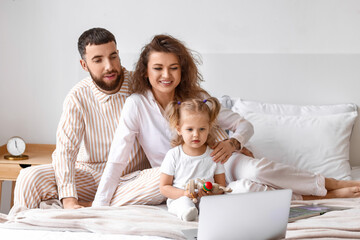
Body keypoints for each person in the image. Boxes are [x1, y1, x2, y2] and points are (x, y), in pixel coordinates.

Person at [93, 34, 360, 207]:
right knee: (249, 192)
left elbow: (245, 125)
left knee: (256, 171)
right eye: (158, 68)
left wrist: (233, 143)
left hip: (222, 163)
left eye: (173, 67)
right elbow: (117, 159)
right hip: (185, 179)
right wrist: (98, 208)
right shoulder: (136, 105)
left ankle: (333, 183)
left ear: (181, 70)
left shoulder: (197, 99)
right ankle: (322, 195)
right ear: (146, 71)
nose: (166, 75)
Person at [13, 27, 150, 210]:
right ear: (84, 65)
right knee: (28, 177)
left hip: (132, 179)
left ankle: (96, 205)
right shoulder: (77, 96)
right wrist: (69, 199)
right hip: (89, 177)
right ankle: (24, 231)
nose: (109, 66)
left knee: (162, 179)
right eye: (98, 60)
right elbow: (65, 151)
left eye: (113, 56)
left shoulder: (141, 87)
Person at [160, 97, 226, 221]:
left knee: (219, 205)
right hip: (180, 198)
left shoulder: (214, 155)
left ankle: (206, 214)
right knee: (183, 203)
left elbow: (221, 186)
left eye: (202, 129)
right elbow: (164, 187)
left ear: (209, 127)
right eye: (190, 129)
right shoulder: (174, 154)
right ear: (179, 129)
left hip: (207, 200)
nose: (196, 134)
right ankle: (188, 213)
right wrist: (184, 193)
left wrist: (211, 192)